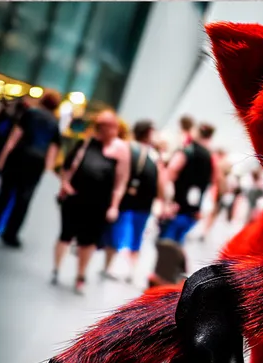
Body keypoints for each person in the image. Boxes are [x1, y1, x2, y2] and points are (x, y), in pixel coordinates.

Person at [54, 107, 131, 293]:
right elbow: (67, 166)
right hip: (75, 197)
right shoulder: (86, 143)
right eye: (101, 126)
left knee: (87, 240)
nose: (104, 129)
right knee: (66, 233)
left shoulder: (121, 149)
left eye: (108, 126)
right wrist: (64, 184)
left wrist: (114, 206)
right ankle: (56, 269)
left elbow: (121, 182)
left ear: (115, 128)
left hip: (98, 203)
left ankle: (80, 275)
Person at [0, 90, 63, 246]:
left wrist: (3, 156)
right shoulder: (55, 123)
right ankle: (11, 234)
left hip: (19, 155)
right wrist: (47, 167)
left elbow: (14, 137)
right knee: (24, 199)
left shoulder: (30, 113)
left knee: (5, 194)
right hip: (36, 162)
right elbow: (53, 148)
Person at [103, 115, 160, 280]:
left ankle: (111, 267)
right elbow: (161, 181)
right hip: (138, 202)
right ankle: (128, 270)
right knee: (132, 236)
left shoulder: (126, 147)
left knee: (118, 233)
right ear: (148, 132)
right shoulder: (151, 155)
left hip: (127, 200)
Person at [158, 114, 217, 252]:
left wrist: (166, 201)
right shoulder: (211, 157)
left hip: (177, 206)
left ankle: (164, 271)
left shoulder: (187, 150)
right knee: (177, 243)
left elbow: (171, 172)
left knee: (167, 243)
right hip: (192, 209)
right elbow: (213, 183)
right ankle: (171, 270)